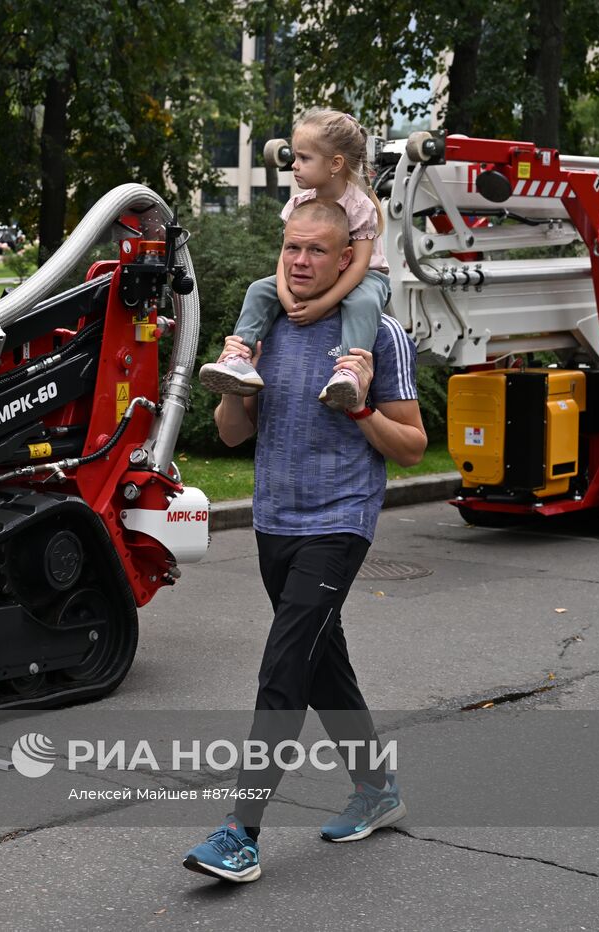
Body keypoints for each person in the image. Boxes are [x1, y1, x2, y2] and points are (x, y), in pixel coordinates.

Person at [182, 198, 427, 884]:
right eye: (292, 247)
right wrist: (237, 384)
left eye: (317, 251)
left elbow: (411, 448)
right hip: (275, 521)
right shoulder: (266, 327)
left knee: (284, 669)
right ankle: (377, 789)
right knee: (322, 663)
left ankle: (240, 833)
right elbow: (233, 434)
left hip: (339, 522)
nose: (300, 261)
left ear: (348, 258)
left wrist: (364, 410)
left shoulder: (374, 335)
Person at [198, 108, 390, 411]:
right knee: (259, 289)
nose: (294, 165)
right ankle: (240, 357)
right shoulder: (298, 203)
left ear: (335, 164)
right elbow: (283, 259)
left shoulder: (359, 206)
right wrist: (286, 297)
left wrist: (322, 305)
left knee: (362, 302)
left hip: (364, 277)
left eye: (304, 158)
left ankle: (349, 372)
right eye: (295, 157)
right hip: (323, 277)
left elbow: (359, 266)